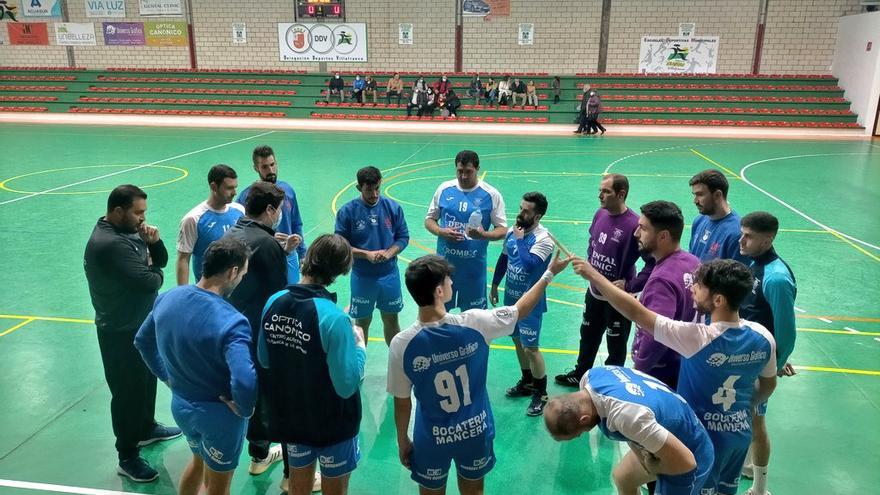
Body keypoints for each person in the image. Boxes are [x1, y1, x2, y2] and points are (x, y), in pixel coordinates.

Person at [573, 257, 778, 495]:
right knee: (624, 476)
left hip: (698, 440)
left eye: (699, 286)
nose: (692, 288)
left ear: (718, 300)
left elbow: (637, 313)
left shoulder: (698, 339)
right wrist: (740, 408)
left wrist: (593, 276)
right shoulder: (763, 336)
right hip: (738, 435)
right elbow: (767, 386)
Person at [388, 252, 572, 495]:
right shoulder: (474, 322)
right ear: (439, 292)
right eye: (447, 279)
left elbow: (402, 403)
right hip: (474, 432)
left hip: (431, 438)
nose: (452, 282)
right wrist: (549, 274)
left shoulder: (402, 344)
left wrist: (403, 440)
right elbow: (521, 310)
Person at [135, 238, 257, 495]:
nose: (242, 279)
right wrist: (245, 408)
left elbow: (143, 341)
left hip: (181, 407)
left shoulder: (168, 297)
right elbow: (245, 380)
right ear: (233, 271)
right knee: (218, 488)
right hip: (220, 416)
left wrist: (167, 377)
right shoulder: (233, 322)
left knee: (198, 461)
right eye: (242, 273)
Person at [84, 184, 180, 483]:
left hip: (140, 323)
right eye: (138, 213)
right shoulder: (109, 243)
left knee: (147, 378)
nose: (143, 219)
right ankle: (126, 455)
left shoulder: (128, 233)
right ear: (117, 211)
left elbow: (159, 262)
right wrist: (155, 273)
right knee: (127, 393)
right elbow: (150, 281)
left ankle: (146, 428)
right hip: (119, 331)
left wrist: (154, 243)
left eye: (144, 213)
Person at [259, 234, 366, 495]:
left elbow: (264, 359)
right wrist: (360, 347)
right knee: (335, 488)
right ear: (339, 271)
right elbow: (346, 385)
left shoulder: (273, 301)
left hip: (292, 416)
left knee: (299, 485)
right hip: (333, 422)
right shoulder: (334, 318)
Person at [545, 366, 714, 495]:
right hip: (663, 441)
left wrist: (652, 467)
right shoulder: (589, 378)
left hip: (690, 453)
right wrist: (644, 459)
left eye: (579, 433)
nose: (581, 434)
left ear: (584, 419)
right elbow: (629, 429)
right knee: (623, 478)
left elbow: (686, 462)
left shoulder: (626, 415)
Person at [226, 181, 299, 477]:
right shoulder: (266, 243)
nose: (280, 214)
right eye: (278, 209)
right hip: (263, 332)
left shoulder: (234, 232)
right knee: (281, 396)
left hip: (236, 328)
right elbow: (279, 296)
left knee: (253, 391)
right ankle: (292, 475)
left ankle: (258, 454)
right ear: (269, 210)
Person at [556, 174, 650, 387]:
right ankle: (581, 373)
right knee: (587, 334)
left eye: (606, 191)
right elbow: (592, 240)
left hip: (617, 299)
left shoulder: (635, 225)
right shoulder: (600, 214)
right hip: (594, 292)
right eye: (600, 190)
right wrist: (590, 262)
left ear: (621, 194)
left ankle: (613, 384)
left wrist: (631, 285)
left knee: (616, 344)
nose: (600, 195)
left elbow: (652, 263)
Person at [737, 212, 797, 495]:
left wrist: (777, 364)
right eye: (742, 233)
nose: (741, 240)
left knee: (757, 422)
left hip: (757, 365)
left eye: (748, 236)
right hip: (744, 358)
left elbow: (786, 330)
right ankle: (746, 467)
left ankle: (760, 489)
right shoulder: (754, 264)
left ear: (768, 239)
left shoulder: (776, 279)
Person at [490, 192, 555, 416]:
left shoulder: (544, 240)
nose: (520, 213)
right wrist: (495, 284)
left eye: (526, 211)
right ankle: (527, 381)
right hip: (511, 298)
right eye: (520, 208)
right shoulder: (513, 231)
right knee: (517, 340)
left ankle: (541, 394)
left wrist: (519, 240)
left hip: (531, 301)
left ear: (537, 216)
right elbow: (504, 258)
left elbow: (529, 265)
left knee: (531, 348)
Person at [335, 166, 409, 346]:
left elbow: (403, 237)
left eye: (377, 188)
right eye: (369, 190)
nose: (375, 194)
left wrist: (389, 253)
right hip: (362, 278)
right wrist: (366, 254)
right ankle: (359, 368)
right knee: (362, 324)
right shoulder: (347, 212)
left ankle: (397, 364)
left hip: (389, 276)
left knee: (391, 321)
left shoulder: (392, 208)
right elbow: (340, 245)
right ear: (359, 188)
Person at [424, 150, 507, 311]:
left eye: (468, 172)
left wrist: (484, 235)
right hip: (444, 270)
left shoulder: (491, 195)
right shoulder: (444, 189)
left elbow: (502, 229)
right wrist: (441, 232)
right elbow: (429, 220)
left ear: (477, 169)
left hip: (473, 272)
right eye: (459, 171)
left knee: (475, 322)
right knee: (440, 318)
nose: (463, 176)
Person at [630, 201, 700, 389]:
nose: (636, 234)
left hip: (661, 373)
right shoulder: (693, 262)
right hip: (687, 365)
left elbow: (656, 333)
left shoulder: (662, 280)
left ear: (663, 236)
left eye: (643, 229)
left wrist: (640, 369)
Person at [237, 145, 306, 284]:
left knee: (291, 295)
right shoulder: (246, 197)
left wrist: (302, 254)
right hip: (262, 257)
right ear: (256, 168)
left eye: (272, 165)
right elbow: (241, 231)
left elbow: (296, 223)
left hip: (290, 256)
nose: (271, 170)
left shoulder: (288, 190)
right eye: (264, 167)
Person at [176, 164, 244, 285]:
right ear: (214, 187)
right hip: (209, 291)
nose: (235, 192)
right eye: (229, 188)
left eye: (235, 187)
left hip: (237, 288)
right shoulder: (193, 219)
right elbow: (183, 259)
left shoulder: (239, 211)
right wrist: (184, 295)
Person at [688, 169, 749, 264]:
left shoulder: (736, 234)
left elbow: (738, 276)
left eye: (700, 195)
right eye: (695, 195)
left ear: (717, 195)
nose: (695, 201)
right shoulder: (699, 220)